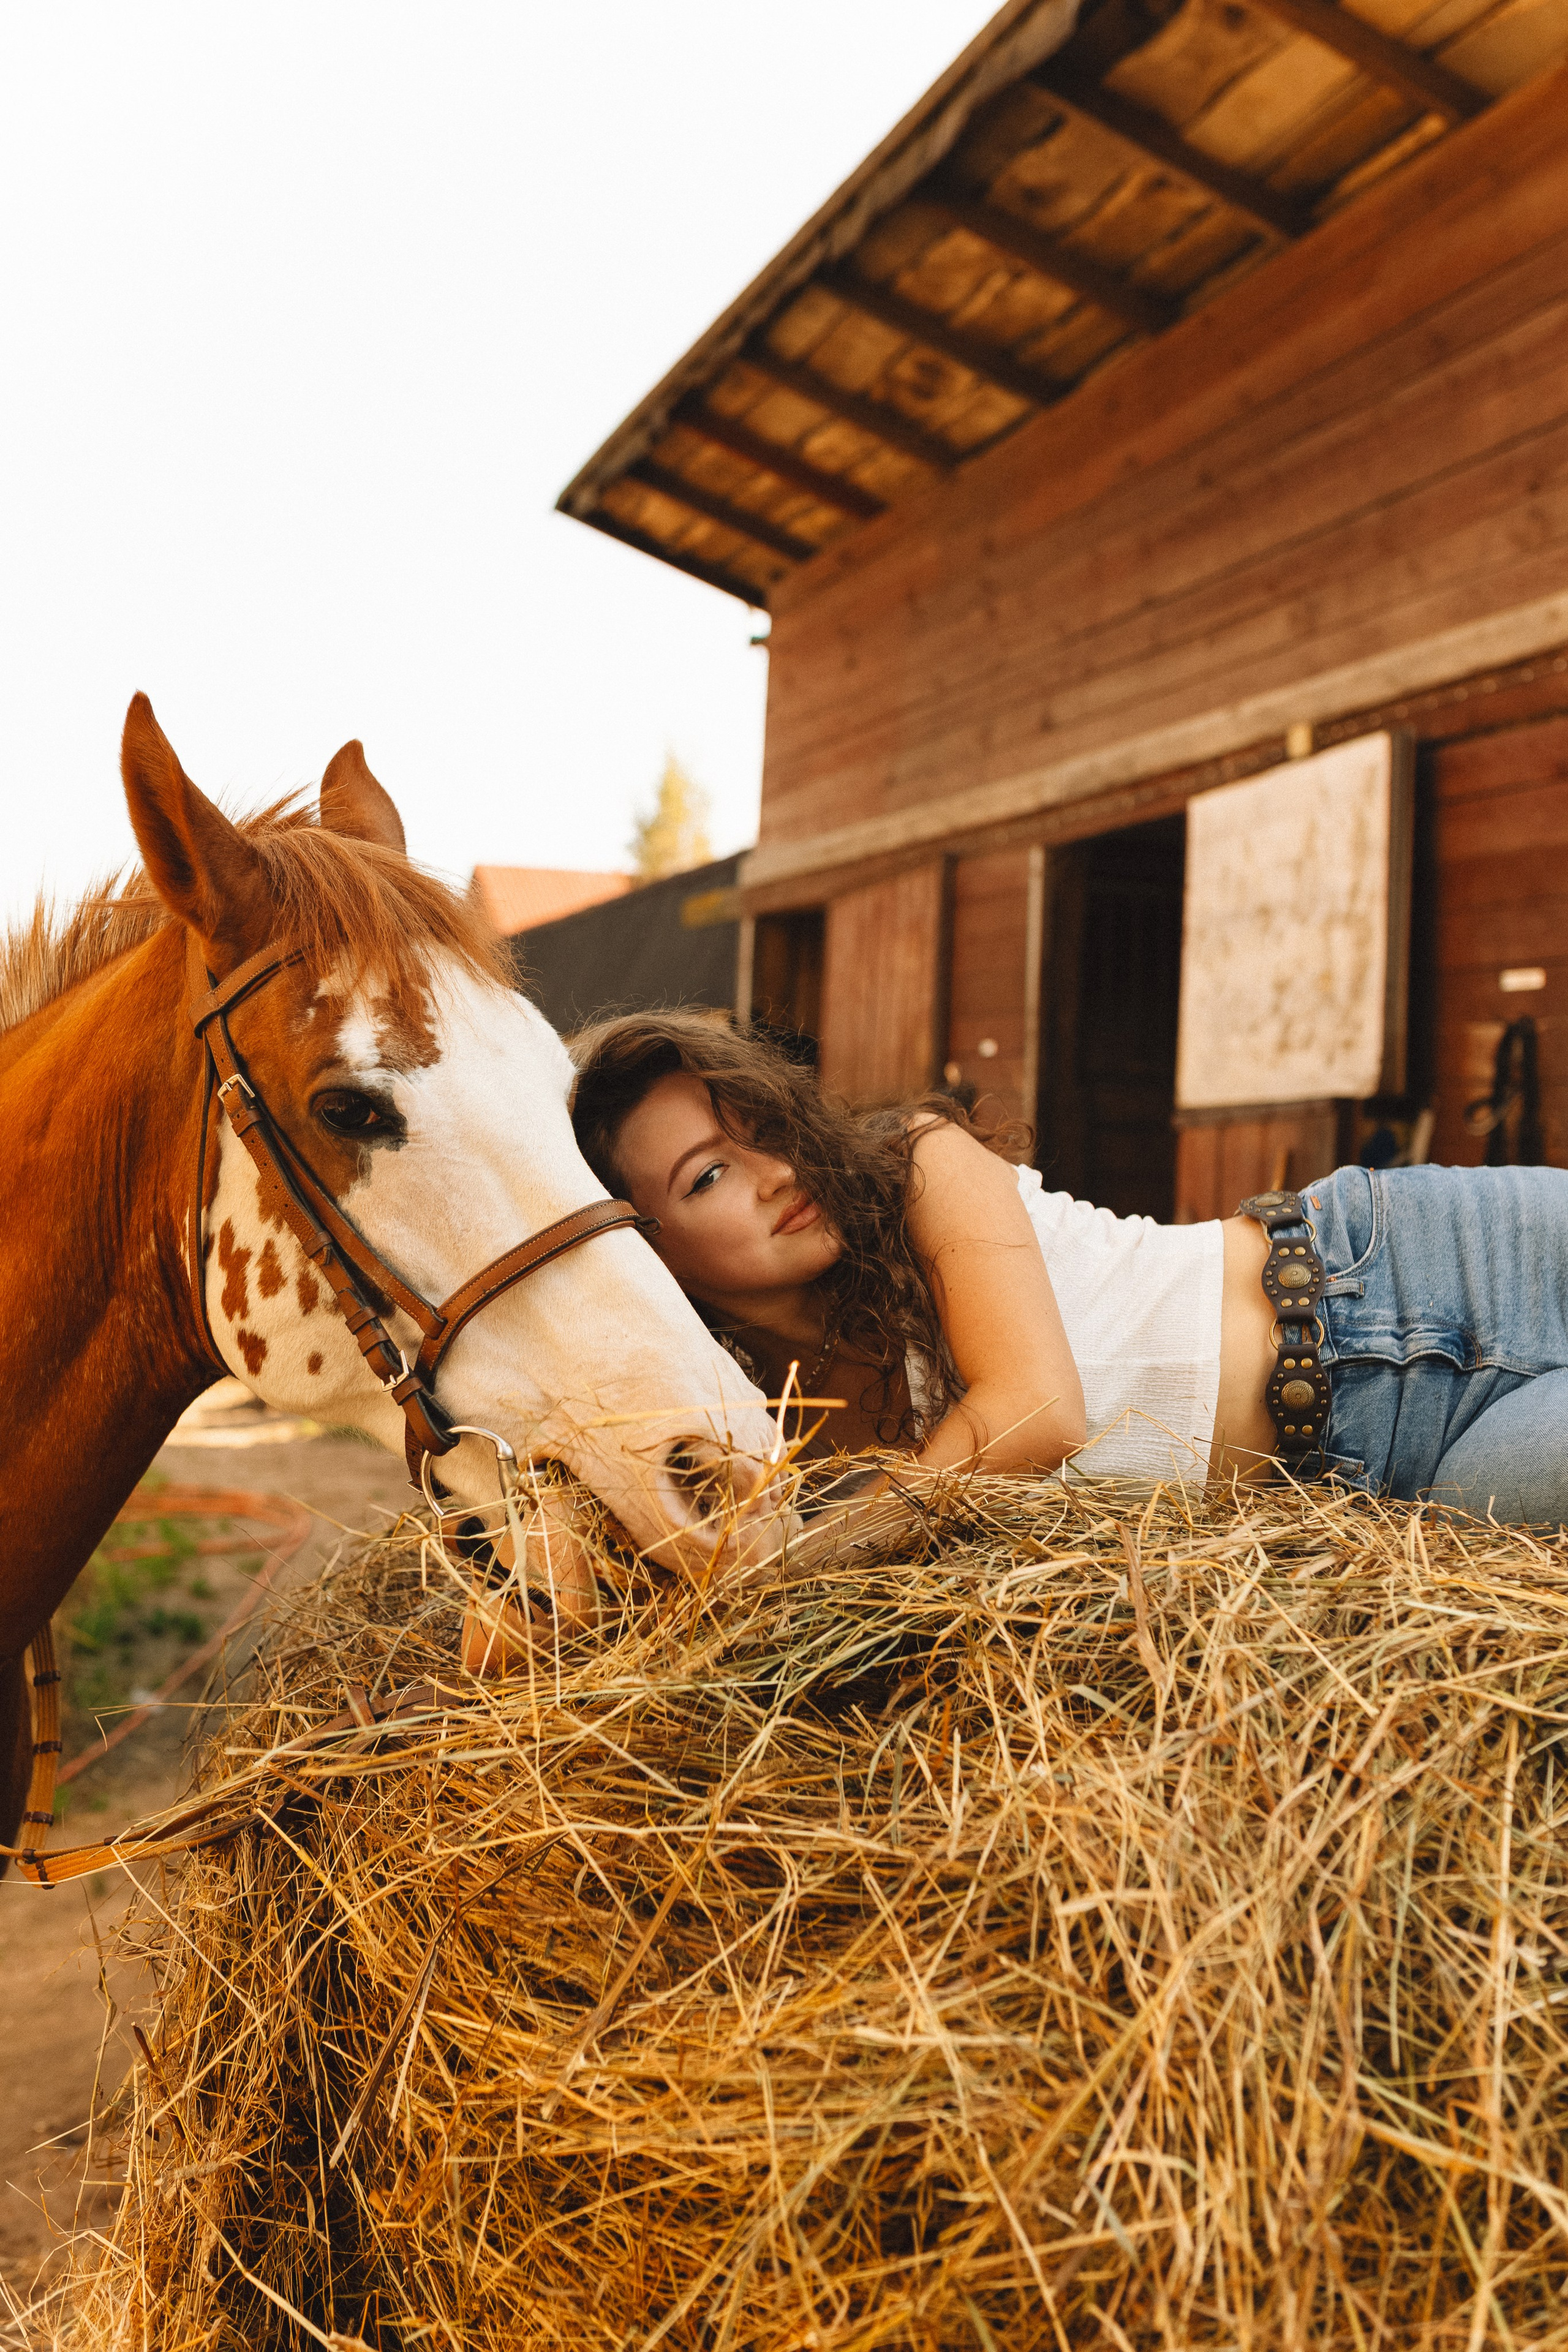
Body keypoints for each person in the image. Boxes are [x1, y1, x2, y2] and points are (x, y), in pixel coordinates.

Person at [461, 1010, 1568, 1671]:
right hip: (1397, 1467)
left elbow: (1038, 1409)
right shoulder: (757, 1423)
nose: (775, 1176)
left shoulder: (920, 1162)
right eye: (708, 1178)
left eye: (759, 1131)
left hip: (1410, 1267)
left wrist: (785, 1572)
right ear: (655, 1255)